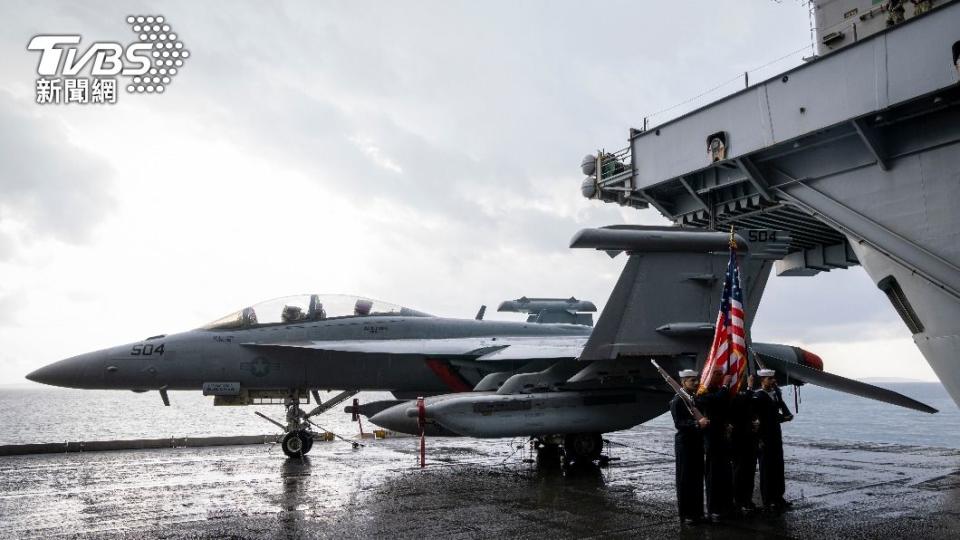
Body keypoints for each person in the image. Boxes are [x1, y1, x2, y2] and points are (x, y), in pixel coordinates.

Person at [670, 369, 709, 525]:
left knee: (697, 478)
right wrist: (696, 424)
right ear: (683, 382)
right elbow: (679, 423)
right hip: (685, 444)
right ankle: (687, 515)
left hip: (696, 442)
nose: (696, 382)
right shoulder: (678, 400)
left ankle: (698, 512)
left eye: (696, 379)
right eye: (692, 380)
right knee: (685, 479)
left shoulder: (694, 399)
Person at [696, 369, 735, 519]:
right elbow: (715, 400)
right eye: (717, 374)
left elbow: (725, 407)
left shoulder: (720, 392)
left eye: (721, 374)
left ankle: (726, 505)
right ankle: (713, 508)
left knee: (725, 473)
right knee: (713, 475)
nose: (722, 377)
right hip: (711, 440)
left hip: (723, 437)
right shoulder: (701, 394)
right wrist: (725, 386)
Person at [753, 369, 794, 511]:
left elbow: (777, 413)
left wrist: (783, 413)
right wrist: (758, 439)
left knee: (778, 467)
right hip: (764, 436)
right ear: (762, 380)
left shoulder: (774, 394)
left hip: (775, 435)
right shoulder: (758, 397)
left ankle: (778, 496)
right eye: (769, 379)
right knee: (767, 469)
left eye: (773, 379)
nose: (773, 381)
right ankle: (768, 499)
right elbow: (759, 419)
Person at [731, 374, 759, 511]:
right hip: (739, 440)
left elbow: (750, 410)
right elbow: (741, 404)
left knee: (749, 472)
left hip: (750, 440)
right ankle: (739, 501)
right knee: (740, 472)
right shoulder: (733, 398)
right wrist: (749, 387)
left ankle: (747, 500)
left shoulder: (746, 397)